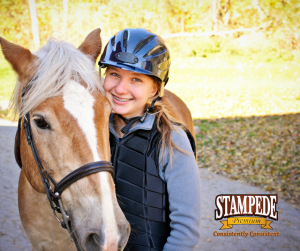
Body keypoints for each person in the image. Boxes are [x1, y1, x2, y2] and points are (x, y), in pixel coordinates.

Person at [99, 28, 201, 251]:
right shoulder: (94, 131)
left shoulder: (172, 139)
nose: (120, 88)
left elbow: (186, 229)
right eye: (114, 74)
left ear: (154, 89)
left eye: (136, 79)